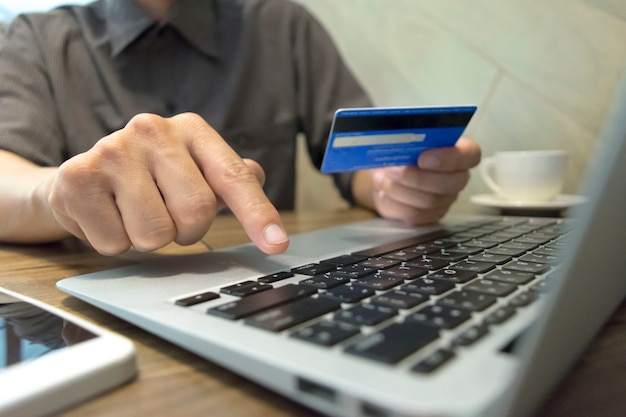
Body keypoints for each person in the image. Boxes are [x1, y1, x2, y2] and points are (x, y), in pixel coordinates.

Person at [0, 0, 481, 257]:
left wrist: (392, 184)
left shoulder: (284, 24)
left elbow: (350, 163)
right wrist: (55, 194)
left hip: (270, 281)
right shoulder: (36, 40)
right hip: (95, 299)